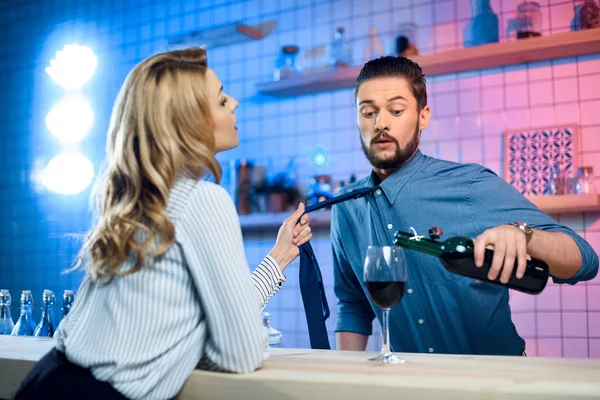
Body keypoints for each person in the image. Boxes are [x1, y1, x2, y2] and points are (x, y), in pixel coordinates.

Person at [14, 47, 311, 400]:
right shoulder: (204, 199)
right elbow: (240, 353)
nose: (234, 103)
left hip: (46, 382)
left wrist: (277, 258)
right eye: (219, 100)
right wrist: (212, 337)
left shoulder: (137, 201)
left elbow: (169, 322)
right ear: (188, 122)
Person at [332, 56, 599, 356]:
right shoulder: (345, 208)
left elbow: (585, 261)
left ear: (423, 116)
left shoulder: (470, 185)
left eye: (395, 110)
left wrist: (524, 235)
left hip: (495, 383)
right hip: (409, 384)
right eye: (368, 112)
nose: (380, 124)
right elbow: (353, 304)